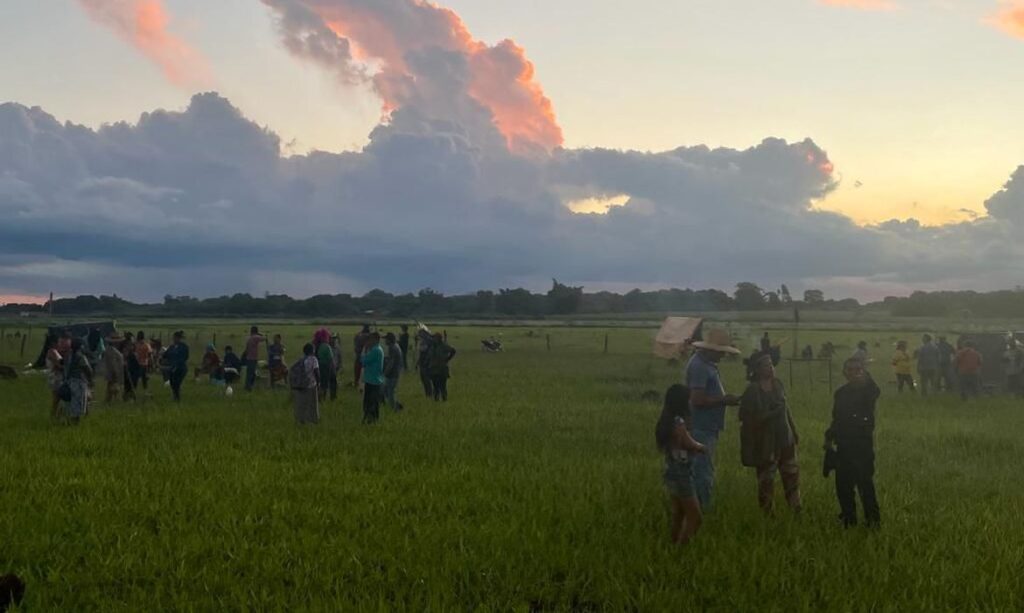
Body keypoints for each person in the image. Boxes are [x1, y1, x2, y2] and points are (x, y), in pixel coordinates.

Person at [684, 328, 741, 511]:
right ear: (712, 350)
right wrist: (724, 400)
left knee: (701, 469)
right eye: (722, 351)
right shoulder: (699, 366)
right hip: (701, 427)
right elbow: (697, 399)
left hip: (707, 427)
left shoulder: (706, 364)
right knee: (702, 472)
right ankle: (701, 512)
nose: (724, 355)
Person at [739, 354, 801, 515]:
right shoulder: (753, 390)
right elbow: (746, 418)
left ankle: (796, 508)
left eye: (771, 364)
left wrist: (794, 430)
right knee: (766, 479)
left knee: (791, 474)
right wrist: (771, 414)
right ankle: (768, 513)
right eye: (766, 365)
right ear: (757, 370)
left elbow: (786, 409)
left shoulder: (778, 384)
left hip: (785, 438)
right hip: (765, 442)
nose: (771, 368)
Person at [825, 359, 882, 528]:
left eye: (858, 369)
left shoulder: (868, 391)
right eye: (851, 370)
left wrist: (866, 376)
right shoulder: (841, 393)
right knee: (843, 486)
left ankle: (873, 521)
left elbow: (874, 390)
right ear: (845, 372)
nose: (855, 372)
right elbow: (836, 418)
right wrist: (829, 437)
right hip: (843, 445)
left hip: (862, 446)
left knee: (865, 484)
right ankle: (848, 519)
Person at [655, 384, 706, 545]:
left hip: (671, 471)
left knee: (679, 514)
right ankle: (680, 550)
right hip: (682, 474)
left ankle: (672, 543)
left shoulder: (666, 419)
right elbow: (687, 442)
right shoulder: (678, 422)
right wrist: (701, 447)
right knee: (695, 517)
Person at [63, 337, 93, 424]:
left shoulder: (68, 355)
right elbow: (88, 369)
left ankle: (68, 421)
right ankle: (74, 423)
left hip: (68, 381)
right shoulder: (81, 357)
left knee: (69, 403)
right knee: (77, 404)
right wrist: (91, 380)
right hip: (78, 382)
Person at [290, 343, 320, 425]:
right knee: (312, 404)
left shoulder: (301, 360)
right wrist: (319, 382)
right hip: (311, 384)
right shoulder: (314, 359)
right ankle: (311, 421)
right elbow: (316, 371)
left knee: (301, 403)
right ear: (312, 350)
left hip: (300, 384)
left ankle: (300, 420)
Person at [360, 332, 385, 423]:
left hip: (372, 380)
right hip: (374, 379)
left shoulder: (375, 350)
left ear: (375, 339)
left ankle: (371, 420)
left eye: (371, 339)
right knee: (372, 403)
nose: (369, 341)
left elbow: (364, 361)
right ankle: (371, 420)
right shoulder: (377, 349)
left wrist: (364, 350)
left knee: (370, 403)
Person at [425, 333, 456, 402]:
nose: (433, 339)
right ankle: (436, 400)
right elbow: (428, 356)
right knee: (435, 386)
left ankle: (444, 399)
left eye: (435, 338)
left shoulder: (444, 346)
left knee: (443, 386)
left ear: (439, 339)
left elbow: (453, 350)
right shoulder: (432, 347)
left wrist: (447, 359)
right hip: (433, 369)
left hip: (442, 369)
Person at [44, 334, 66, 419]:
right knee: (57, 398)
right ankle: (54, 416)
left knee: (58, 398)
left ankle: (55, 415)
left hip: (56, 376)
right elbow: (57, 365)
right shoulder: (52, 351)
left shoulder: (55, 351)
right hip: (55, 376)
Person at [164, 331, 190, 403]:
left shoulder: (184, 347)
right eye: (174, 338)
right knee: (172, 383)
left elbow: (185, 357)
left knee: (177, 383)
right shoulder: (171, 347)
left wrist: (178, 363)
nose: (174, 339)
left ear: (179, 338)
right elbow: (166, 355)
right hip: (172, 368)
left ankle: (177, 398)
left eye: (175, 338)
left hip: (180, 368)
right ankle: (175, 396)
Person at [383, 332, 404, 411]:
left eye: (386, 339)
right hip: (395, 373)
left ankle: (395, 409)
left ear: (389, 340)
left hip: (393, 374)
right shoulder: (395, 346)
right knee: (386, 391)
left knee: (390, 392)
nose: (385, 341)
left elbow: (391, 363)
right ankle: (397, 405)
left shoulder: (392, 348)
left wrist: (385, 372)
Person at [314, 328, 336, 402]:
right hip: (326, 366)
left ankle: (319, 399)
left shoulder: (316, 346)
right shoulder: (326, 346)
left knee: (320, 383)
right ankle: (326, 399)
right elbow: (331, 359)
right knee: (327, 384)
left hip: (318, 366)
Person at [103, 338, 126, 403]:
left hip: (110, 371)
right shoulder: (113, 351)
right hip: (114, 372)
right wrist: (116, 372)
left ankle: (108, 400)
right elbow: (114, 363)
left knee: (110, 387)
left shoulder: (108, 349)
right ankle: (113, 400)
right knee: (114, 388)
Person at [243, 326, 265, 392]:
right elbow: (264, 338)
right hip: (253, 358)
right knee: (251, 374)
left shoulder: (249, 338)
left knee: (249, 373)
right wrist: (260, 334)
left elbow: (246, 350)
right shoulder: (255, 337)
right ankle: (248, 387)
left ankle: (248, 386)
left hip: (249, 358)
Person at [416, 329, 434, 398]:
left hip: (427, 363)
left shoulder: (429, 341)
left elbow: (428, 352)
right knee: (423, 379)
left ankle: (430, 394)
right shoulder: (423, 341)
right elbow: (421, 353)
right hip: (422, 363)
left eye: (421, 333)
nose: (420, 335)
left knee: (427, 380)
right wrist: (417, 362)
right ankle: (427, 394)